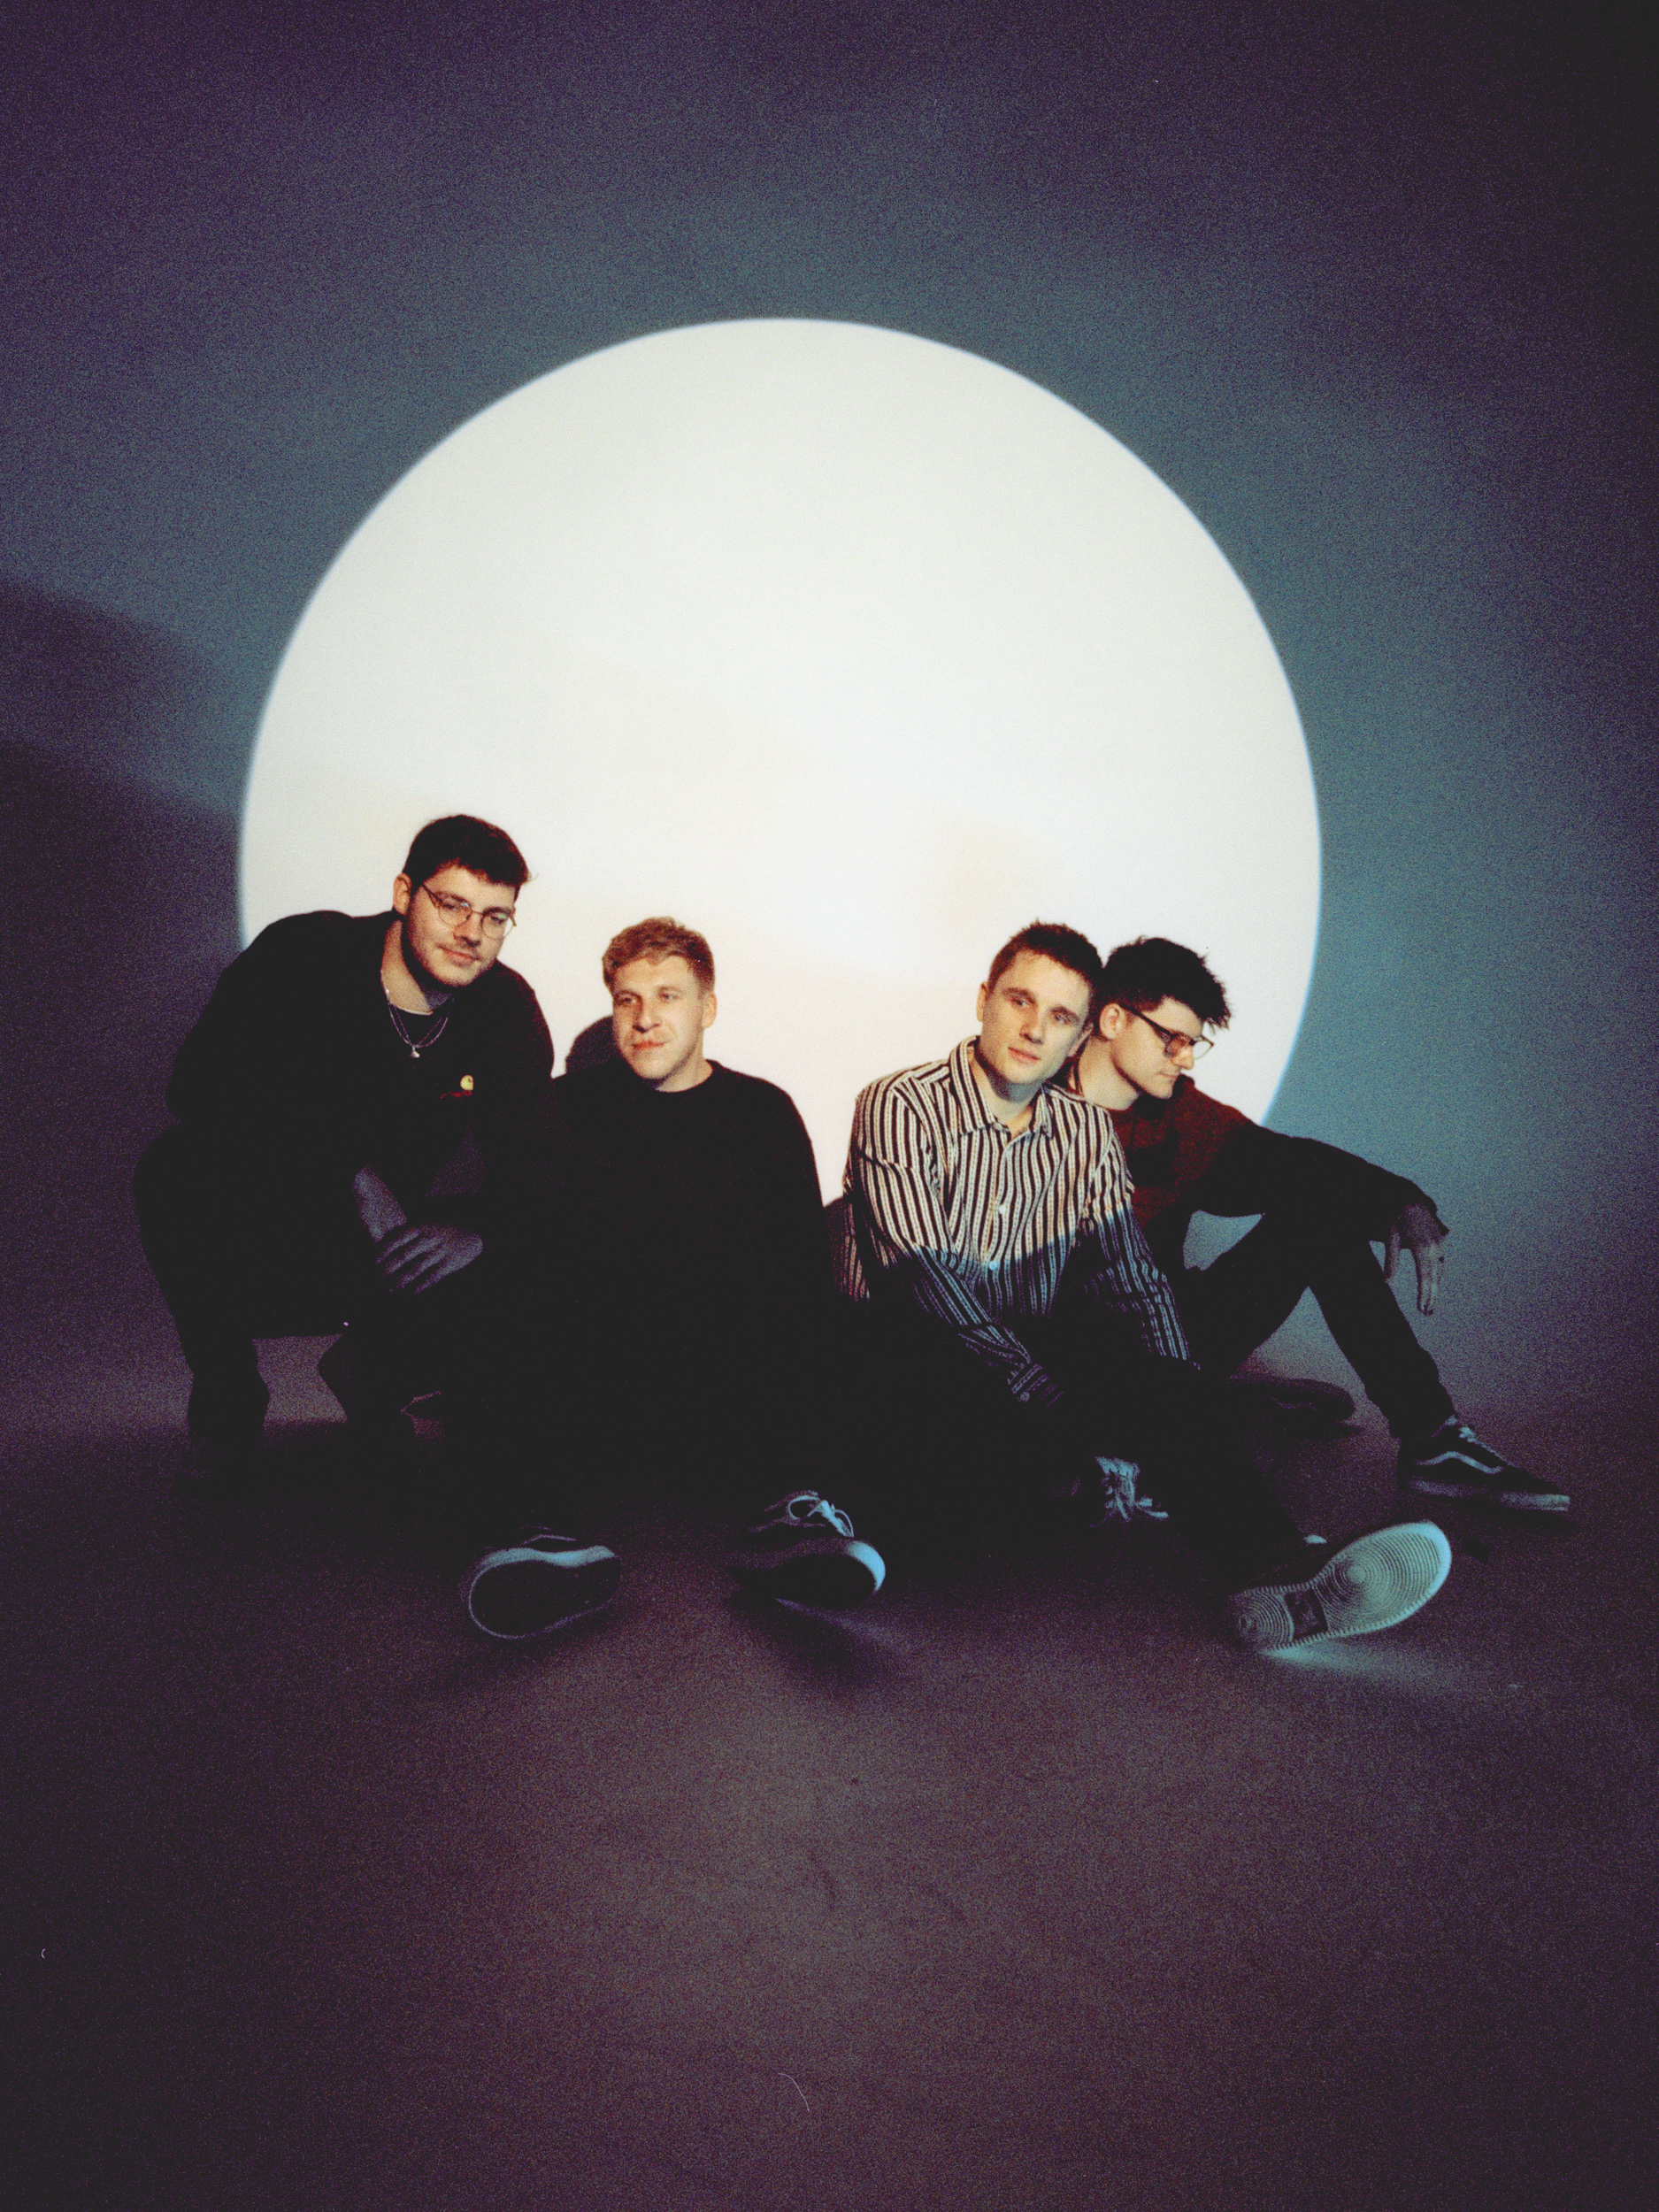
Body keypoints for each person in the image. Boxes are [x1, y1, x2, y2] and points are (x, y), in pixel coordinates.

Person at [841, 920, 1453, 1652]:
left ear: (1080, 1029)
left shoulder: (1089, 1130)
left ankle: (1278, 1572)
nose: (1035, 1030)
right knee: (983, 1471)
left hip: (1047, 1353)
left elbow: (1134, 1272)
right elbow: (924, 1281)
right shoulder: (899, 1103)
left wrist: (1175, 1387)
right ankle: (1182, 1440)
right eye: (1019, 1001)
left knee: (1157, 1382)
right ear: (984, 1000)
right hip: (917, 1356)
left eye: (1058, 1016)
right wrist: (1055, 1403)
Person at [460, 918, 882, 1641]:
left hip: (726, 1377)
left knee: (839, 1323)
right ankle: (539, 1541)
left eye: (667, 996)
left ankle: (791, 1523)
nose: (644, 1019)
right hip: (600, 1373)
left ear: (707, 1008)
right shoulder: (565, 1108)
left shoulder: (762, 1112)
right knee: (509, 1312)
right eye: (626, 1000)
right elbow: (524, 1247)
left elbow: (800, 1269)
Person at [1067, 935, 1565, 1513]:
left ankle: (1432, 1438)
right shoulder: (1017, 1102)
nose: (1184, 1059)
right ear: (1112, 1020)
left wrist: (1400, 1202)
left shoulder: (1179, 1116)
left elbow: (1292, 1164)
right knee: (1212, 1466)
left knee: (1319, 1217)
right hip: (1064, 1374)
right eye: (1170, 1039)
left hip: (1171, 1343)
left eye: (1192, 1044)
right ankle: (1239, 1408)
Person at [135, 815, 553, 1487]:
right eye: (452, 904)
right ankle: (229, 1398)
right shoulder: (307, 954)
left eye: (495, 917)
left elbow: (535, 1160)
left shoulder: (505, 1007)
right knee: (173, 1169)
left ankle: (373, 1374)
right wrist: (349, 1172)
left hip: (388, 1240)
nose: (472, 933)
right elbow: (199, 1084)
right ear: (404, 894)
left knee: (533, 1236)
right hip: (268, 1218)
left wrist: (479, 1233)